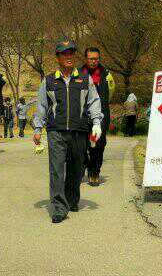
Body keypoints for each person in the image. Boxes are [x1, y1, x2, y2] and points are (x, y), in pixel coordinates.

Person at [33, 39, 103, 224]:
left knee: (77, 168)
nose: (68, 56)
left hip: (79, 131)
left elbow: (94, 102)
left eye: (71, 53)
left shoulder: (85, 79)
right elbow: (41, 106)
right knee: (57, 170)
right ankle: (59, 207)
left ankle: (71, 199)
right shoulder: (48, 81)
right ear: (58, 57)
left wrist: (96, 123)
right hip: (56, 131)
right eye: (64, 54)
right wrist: (38, 128)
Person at [80, 47, 116, 187]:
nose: (94, 61)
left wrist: (102, 105)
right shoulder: (78, 73)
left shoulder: (106, 74)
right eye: (91, 59)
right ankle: (85, 166)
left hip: (101, 115)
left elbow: (111, 92)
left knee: (98, 145)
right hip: (83, 115)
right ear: (86, 59)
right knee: (83, 145)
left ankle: (94, 172)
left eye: (96, 58)